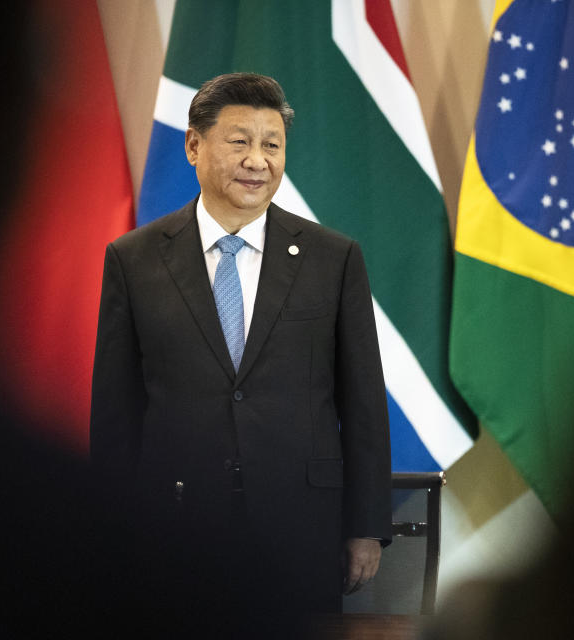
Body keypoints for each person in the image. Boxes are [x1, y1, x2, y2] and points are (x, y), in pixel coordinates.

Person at [90, 72, 391, 613]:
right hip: (172, 528)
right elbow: (116, 409)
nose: (259, 160)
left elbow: (363, 402)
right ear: (193, 146)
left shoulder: (333, 258)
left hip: (301, 528)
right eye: (240, 142)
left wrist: (366, 527)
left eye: (272, 145)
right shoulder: (133, 258)